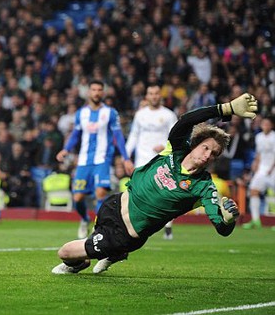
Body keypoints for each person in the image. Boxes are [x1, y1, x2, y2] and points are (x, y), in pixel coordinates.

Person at [51, 93, 257, 275]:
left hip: (125, 234)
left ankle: (85, 262)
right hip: (113, 204)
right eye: (205, 148)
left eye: (214, 154)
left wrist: (228, 222)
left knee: (65, 252)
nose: (207, 155)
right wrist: (226, 109)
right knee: (92, 240)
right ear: (195, 145)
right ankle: (114, 254)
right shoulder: (174, 150)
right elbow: (186, 121)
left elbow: (221, 227)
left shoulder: (203, 186)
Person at [56, 80, 135, 239]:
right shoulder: (81, 113)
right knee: (77, 197)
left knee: (100, 193)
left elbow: (118, 136)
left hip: (102, 160)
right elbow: (75, 135)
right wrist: (66, 149)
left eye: (100, 89)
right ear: (88, 92)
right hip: (84, 161)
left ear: (103, 93)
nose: (97, 92)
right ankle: (85, 219)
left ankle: (97, 228)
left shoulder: (110, 113)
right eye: (94, 89)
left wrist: (126, 158)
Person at [125, 85, 178, 239]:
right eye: (151, 94)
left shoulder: (168, 115)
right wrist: (126, 156)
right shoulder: (140, 114)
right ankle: (137, 225)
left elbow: (176, 136)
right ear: (146, 96)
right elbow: (134, 135)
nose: (154, 96)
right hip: (142, 158)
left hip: (161, 158)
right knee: (138, 191)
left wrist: (165, 146)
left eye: (156, 94)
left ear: (160, 96)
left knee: (163, 192)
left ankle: (167, 225)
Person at [243, 117, 275, 229]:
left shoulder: (274, 137)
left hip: (273, 170)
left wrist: (271, 168)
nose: (265, 126)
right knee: (253, 191)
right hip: (261, 169)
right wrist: (255, 164)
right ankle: (256, 220)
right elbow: (259, 153)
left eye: (267, 124)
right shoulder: (259, 137)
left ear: (271, 125)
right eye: (263, 124)